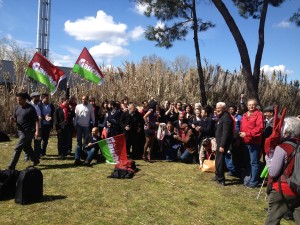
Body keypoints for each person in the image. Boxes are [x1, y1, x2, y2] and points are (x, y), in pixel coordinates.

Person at [264, 117, 300, 224]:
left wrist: (268, 158)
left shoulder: (283, 147)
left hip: (282, 190)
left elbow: (273, 172)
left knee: (272, 221)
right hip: (298, 189)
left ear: (286, 130)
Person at [8, 93, 40, 170]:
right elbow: (16, 119)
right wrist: (13, 120)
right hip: (20, 131)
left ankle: (11, 166)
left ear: (25, 99)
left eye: (20, 100)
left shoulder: (31, 109)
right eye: (17, 100)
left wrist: (37, 131)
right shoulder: (17, 108)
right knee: (27, 147)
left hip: (28, 131)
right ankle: (35, 160)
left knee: (18, 148)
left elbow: (36, 120)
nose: (18, 101)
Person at [240, 98, 264, 188]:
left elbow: (259, 128)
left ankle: (254, 181)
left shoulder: (258, 115)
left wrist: (247, 134)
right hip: (245, 142)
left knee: (254, 162)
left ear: (256, 105)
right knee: (248, 162)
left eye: (253, 105)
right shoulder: (245, 114)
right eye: (250, 105)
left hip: (254, 142)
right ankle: (248, 178)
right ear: (247, 105)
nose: (251, 106)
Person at [213, 102, 234, 186]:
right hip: (219, 142)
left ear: (224, 109)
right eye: (217, 107)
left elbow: (226, 133)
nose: (217, 109)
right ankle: (217, 175)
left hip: (223, 143)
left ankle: (221, 179)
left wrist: (222, 145)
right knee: (218, 160)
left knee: (220, 161)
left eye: (219, 108)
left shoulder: (226, 118)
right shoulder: (221, 117)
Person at [73, 95, 95, 165]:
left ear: (87, 100)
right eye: (82, 99)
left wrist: (93, 123)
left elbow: (92, 116)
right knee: (79, 140)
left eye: (85, 99)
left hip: (87, 126)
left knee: (86, 140)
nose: (83, 100)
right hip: (79, 125)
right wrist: (75, 124)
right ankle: (78, 155)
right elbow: (76, 116)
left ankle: (85, 152)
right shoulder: (78, 106)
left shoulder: (90, 107)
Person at [29, 92, 42, 159]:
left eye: (38, 97)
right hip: (31, 127)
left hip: (39, 126)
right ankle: (27, 156)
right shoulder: (29, 105)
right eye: (36, 97)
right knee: (29, 142)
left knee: (37, 141)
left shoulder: (39, 105)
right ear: (32, 97)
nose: (38, 98)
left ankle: (37, 155)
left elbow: (41, 113)